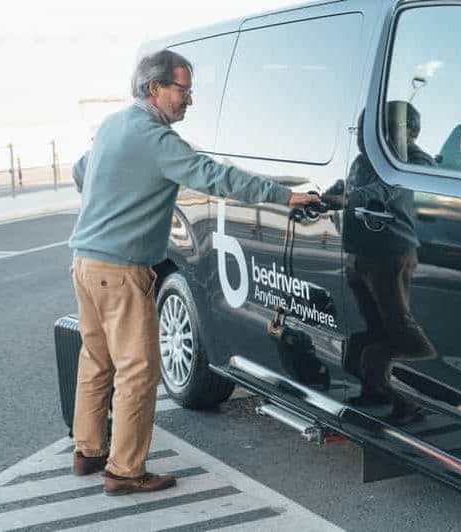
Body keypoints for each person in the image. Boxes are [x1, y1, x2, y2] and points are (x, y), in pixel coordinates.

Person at [68, 49, 318, 495]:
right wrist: (284, 196)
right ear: (154, 89)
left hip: (85, 262)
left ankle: (87, 450)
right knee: (139, 371)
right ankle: (124, 471)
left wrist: (110, 205)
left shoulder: (112, 125)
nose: (188, 101)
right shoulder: (155, 138)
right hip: (121, 270)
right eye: (182, 91)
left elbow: (80, 171)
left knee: (96, 358)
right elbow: (212, 176)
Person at [341, 104, 437, 424]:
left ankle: (411, 400)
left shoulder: (410, 160)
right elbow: (349, 189)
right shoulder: (364, 160)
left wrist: (354, 198)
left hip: (390, 254)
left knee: (399, 328)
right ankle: (375, 390)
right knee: (373, 327)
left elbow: (389, 187)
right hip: (360, 254)